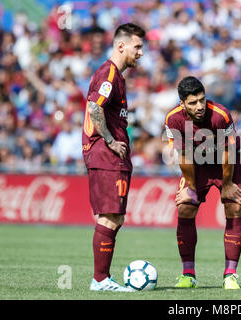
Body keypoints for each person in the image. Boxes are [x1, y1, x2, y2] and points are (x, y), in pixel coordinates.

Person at [165, 76, 241, 289]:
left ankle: (230, 275)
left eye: (202, 100)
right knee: (185, 208)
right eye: (192, 103)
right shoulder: (173, 119)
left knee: (233, 207)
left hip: (228, 162)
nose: (199, 106)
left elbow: (228, 152)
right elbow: (183, 155)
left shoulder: (220, 115)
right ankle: (188, 275)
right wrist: (190, 187)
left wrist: (228, 185)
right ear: (182, 103)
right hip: (197, 163)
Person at [82, 23, 145, 292]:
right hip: (106, 155)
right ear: (121, 46)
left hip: (108, 155)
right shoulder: (109, 72)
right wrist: (109, 140)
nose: (141, 53)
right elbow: (94, 107)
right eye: (137, 46)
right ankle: (100, 281)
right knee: (109, 217)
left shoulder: (116, 76)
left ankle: (102, 278)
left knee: (114, 218)